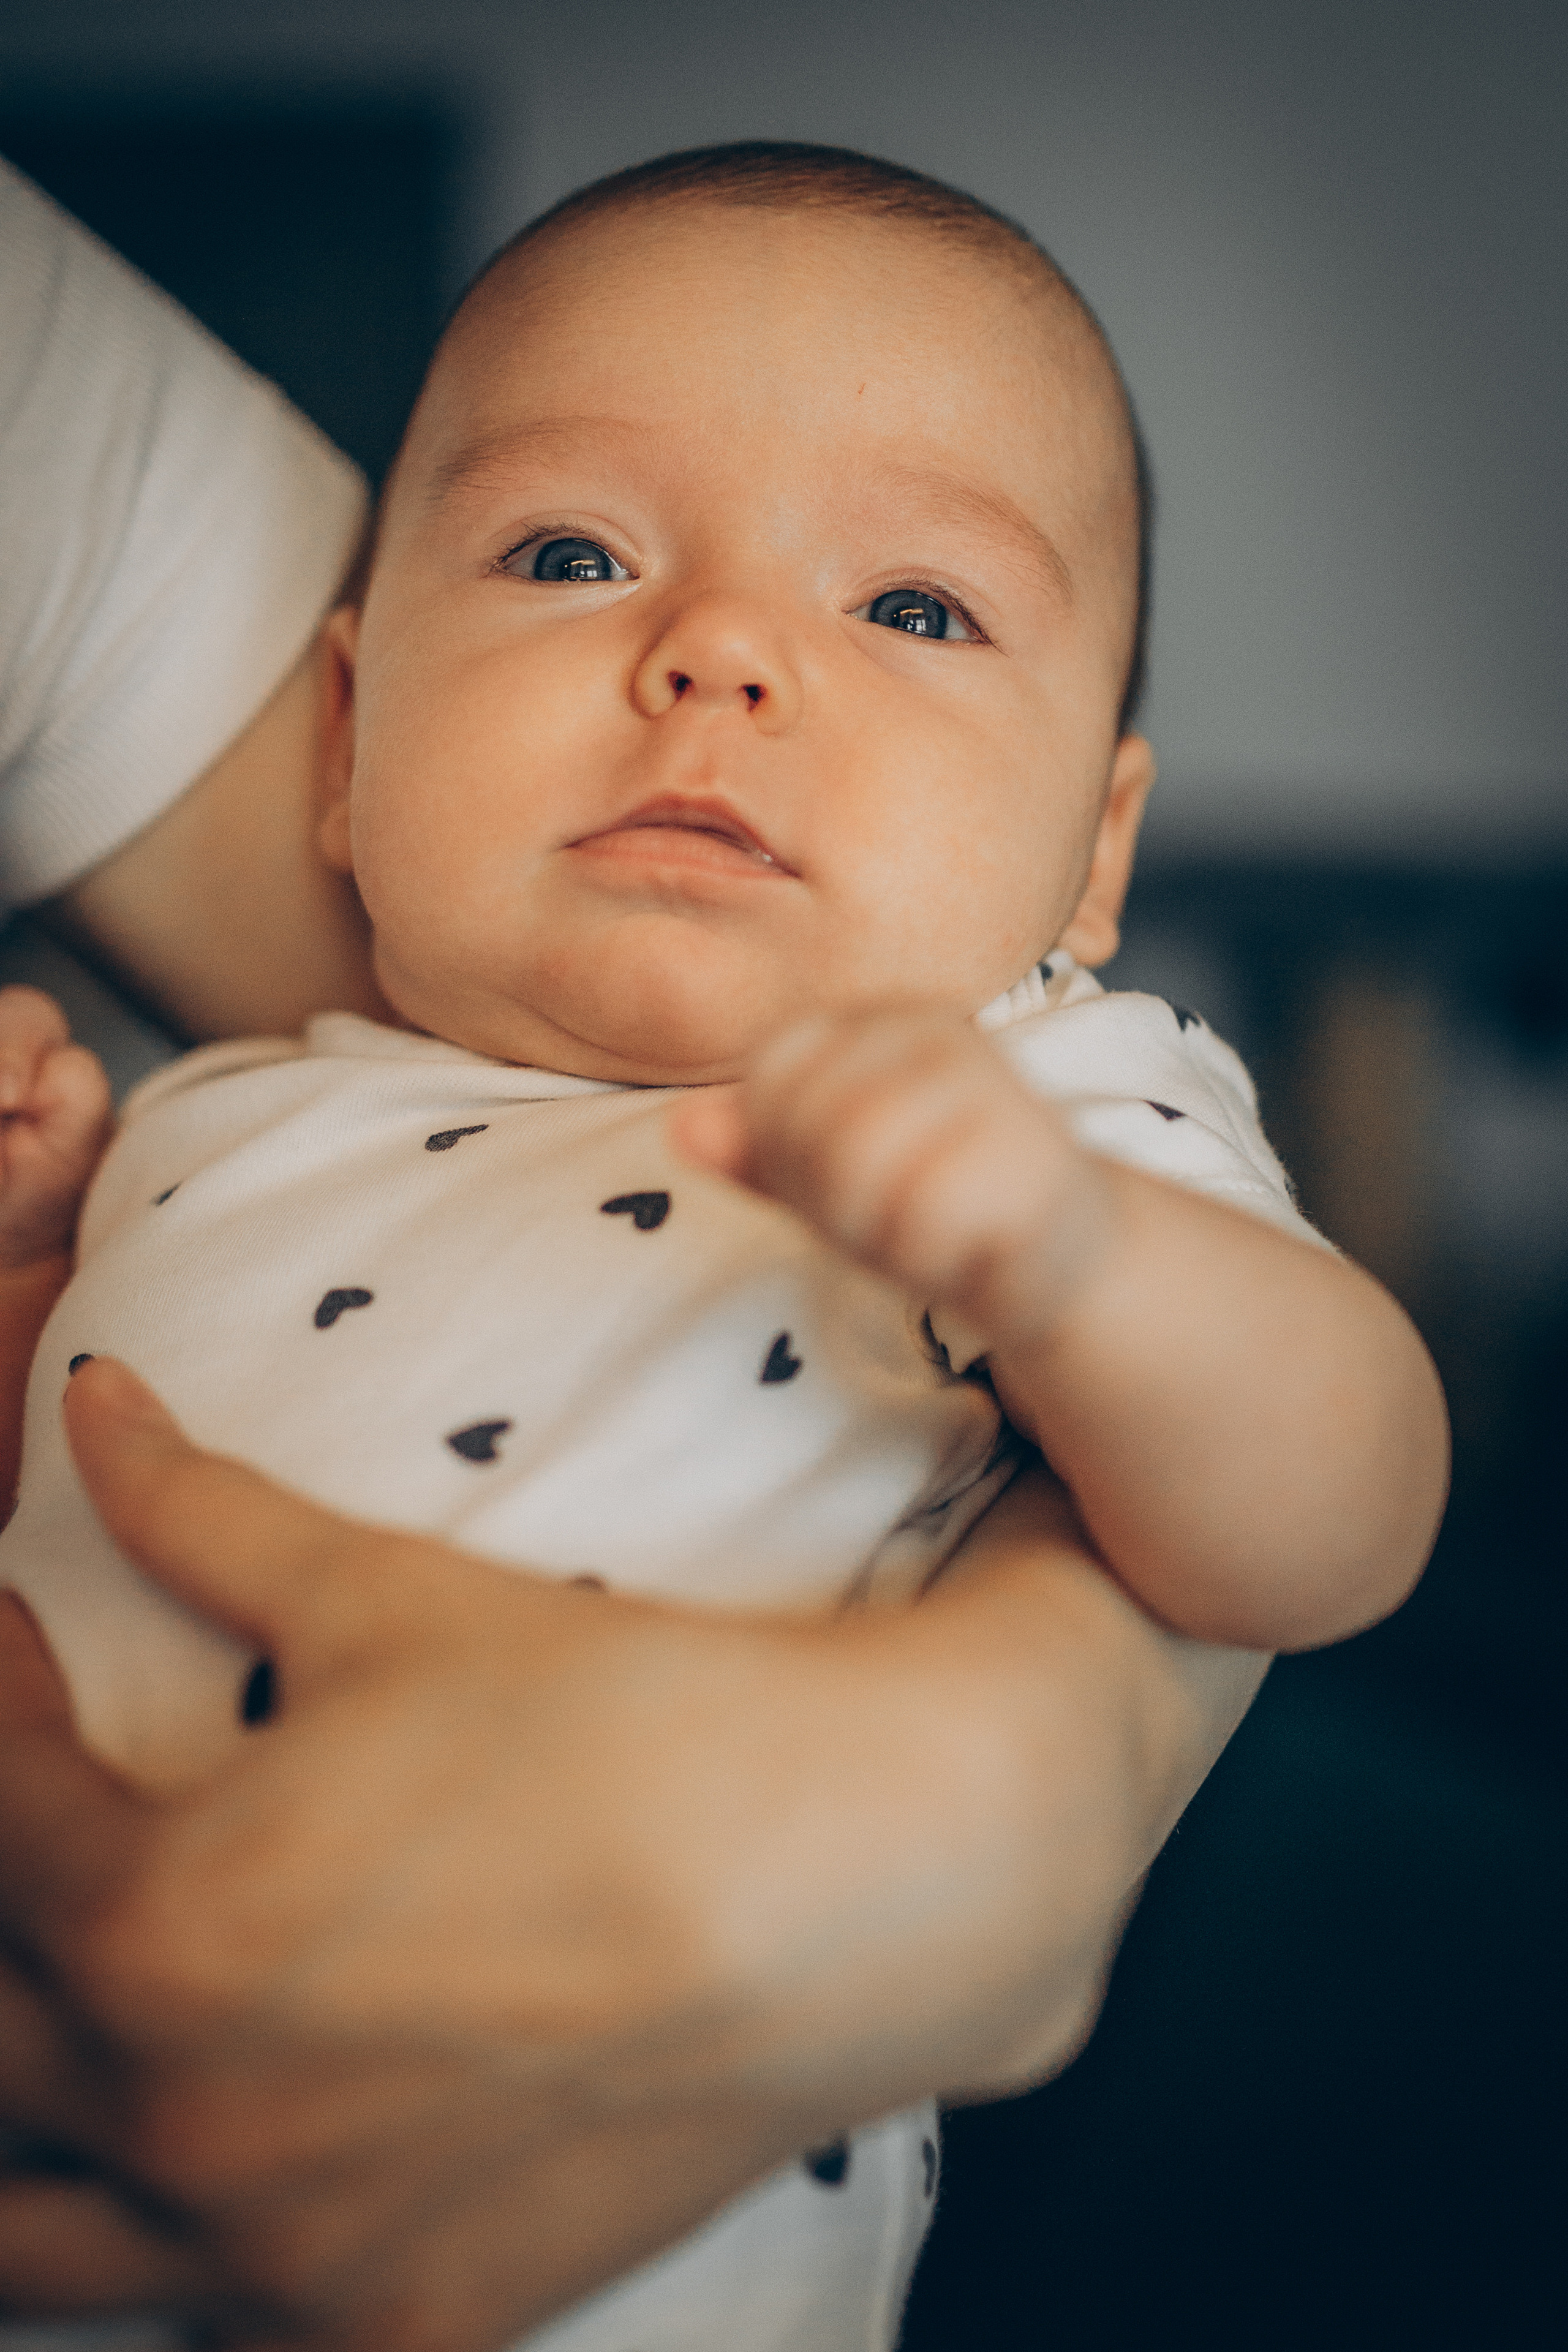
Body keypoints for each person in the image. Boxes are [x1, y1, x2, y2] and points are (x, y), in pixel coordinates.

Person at [0, 145, 1446, 2348]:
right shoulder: (215, 1109)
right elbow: (80, 1506)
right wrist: (29, 1279)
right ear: (344, 736)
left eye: (915, 607)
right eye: (572, 552)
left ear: (1093, 857)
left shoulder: (1029, 1102)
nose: (720, 655)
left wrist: (1075, 1265)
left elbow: (1341, 1512)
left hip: (600, 2262)